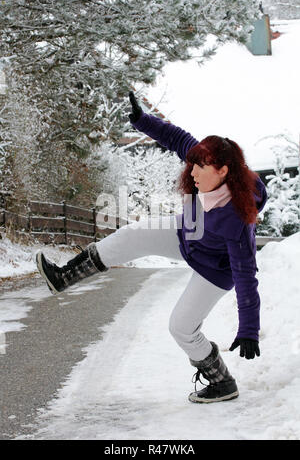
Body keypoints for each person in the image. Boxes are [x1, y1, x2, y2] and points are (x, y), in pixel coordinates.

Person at [36, 92, 267, 404]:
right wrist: (142, 121)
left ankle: (221, 381)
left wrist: (249, 328)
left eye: (201, 168)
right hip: (188, 233)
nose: (193, 172)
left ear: (224, 171)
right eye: (193, 165)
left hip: (215, 269)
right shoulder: (204, 162)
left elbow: (245, 274)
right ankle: (64, 276)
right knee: (132, 235)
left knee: (181, 327)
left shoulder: (238, 218)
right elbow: (175, 136)